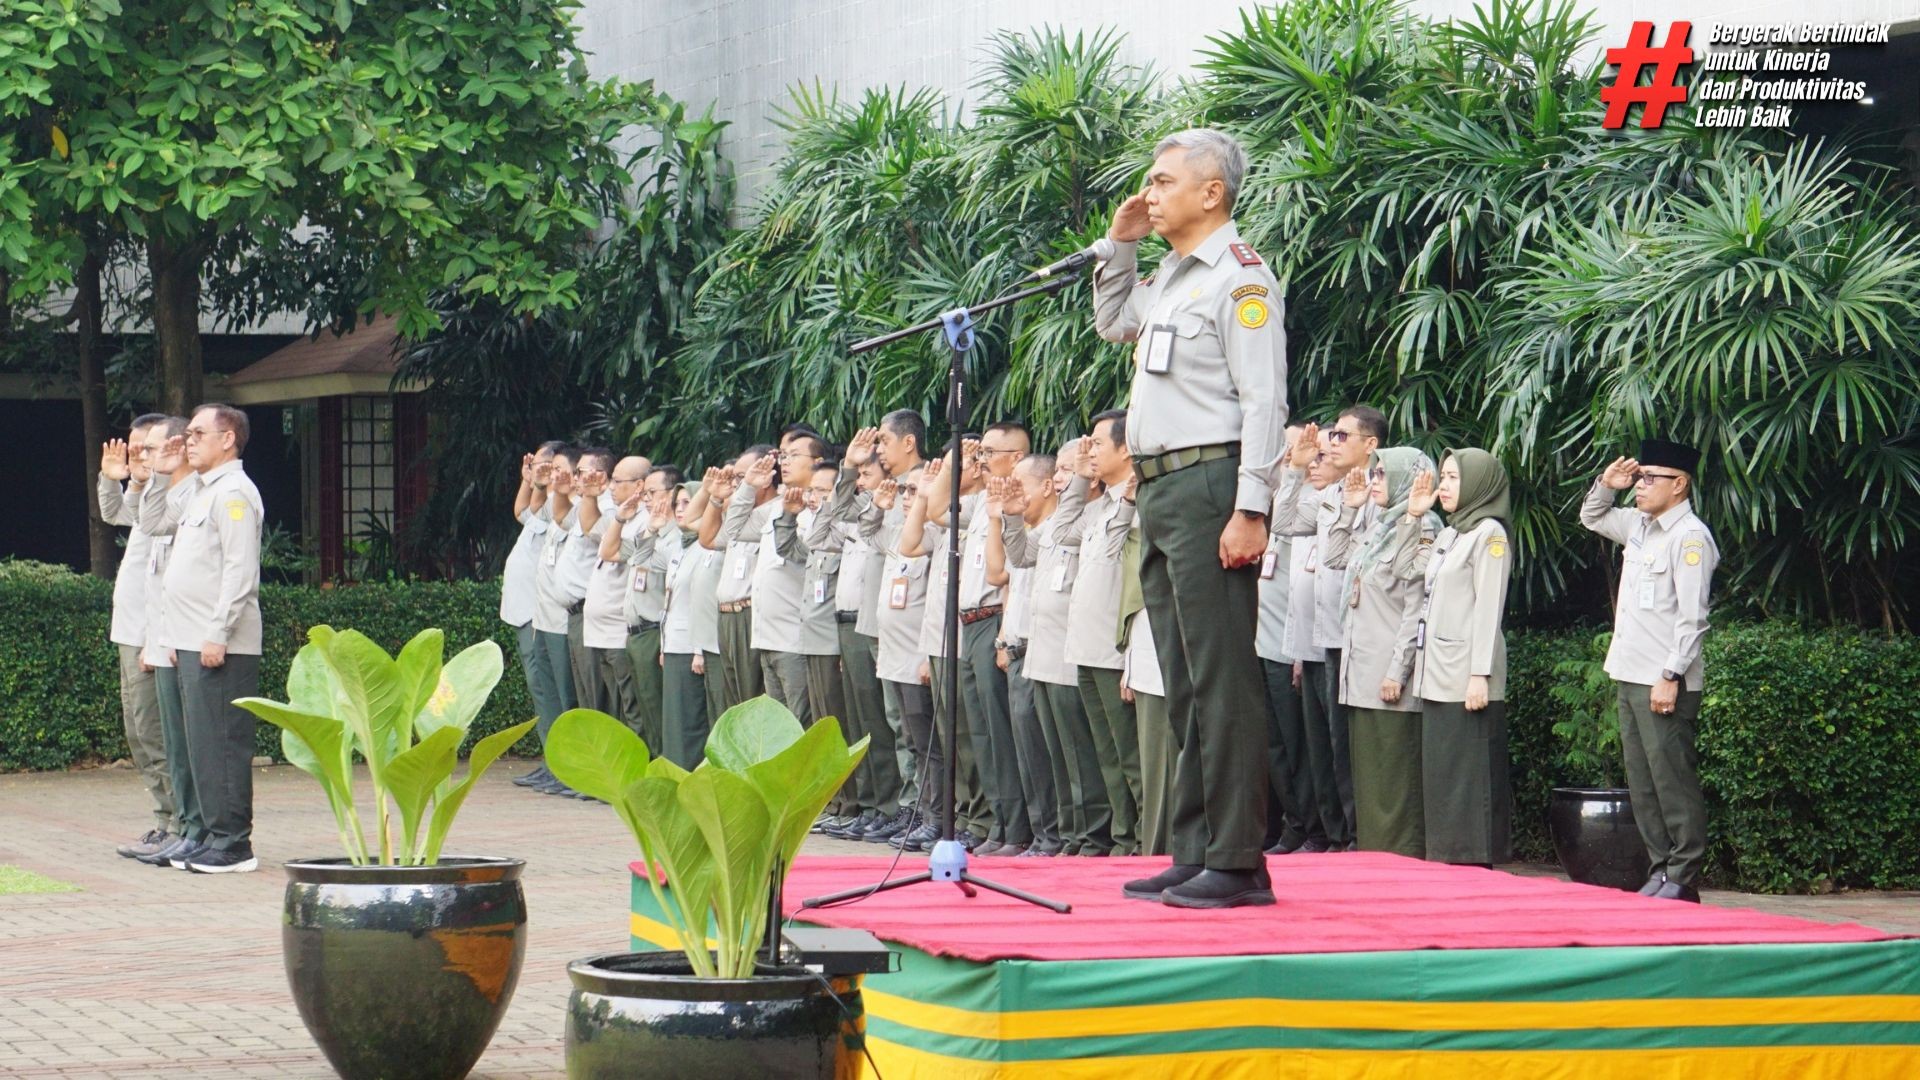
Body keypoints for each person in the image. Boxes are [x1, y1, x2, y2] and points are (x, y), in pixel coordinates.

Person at [1097, 128, 1288, 908]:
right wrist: (1119, 245)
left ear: (1212, 192)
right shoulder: (1176, 277)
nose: (1150, 192)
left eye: (1164, 180)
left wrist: (1252, 507)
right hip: (1161, 490)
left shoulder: (1239, 280)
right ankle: (1196, 846)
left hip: (1212, 483)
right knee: (1181, 676)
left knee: (1220, 680)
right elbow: (1115, 321)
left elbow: (1264, 400)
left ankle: (1238, 860)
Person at [1581, 440, 1718, 902]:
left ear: (1679, 484)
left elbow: (1693, 617)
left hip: (1664, 679)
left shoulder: (1690, 537)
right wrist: (1606, 484)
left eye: (1649, 478)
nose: (1639, 486)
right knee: (1643, 783)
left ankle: (1684, 874)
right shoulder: (1640, 525)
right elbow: (1593, 517)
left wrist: (1672, 674)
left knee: (1672, 781)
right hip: (1630, 672)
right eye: (1638, 478)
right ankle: (1660, 870)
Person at [139, 404, 263, 873]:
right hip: (191, 638)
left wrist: (217, 633)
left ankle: (233, 843)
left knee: (222, 744)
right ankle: (210, 835)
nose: (186, 439)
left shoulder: (234, 493)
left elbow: (239, 570)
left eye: (196, 433)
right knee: (199, 746)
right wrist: (167, 471)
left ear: (227, 438)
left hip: (221, 643)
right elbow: (157, 520)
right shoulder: (202, 489)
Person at [996, 442, 1111, 856]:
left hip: (1068, 653)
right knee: (1059, 757)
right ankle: (1068, 835)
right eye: (1060, 470)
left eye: (1068, 470)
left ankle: (1091, 836)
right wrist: (1011, 516)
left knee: (1079, 756)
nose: (1061, 478)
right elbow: (1021, 556)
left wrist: (1079, 480)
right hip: (1042, 653)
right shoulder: (1060, 520)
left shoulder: (1089, 517)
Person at [1400, 450, 1514, 867]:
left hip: (1467, 673)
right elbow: (1406, 571)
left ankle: (1475, 859)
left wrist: (1479, 674)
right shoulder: (1452, 533)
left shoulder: (1489, 535)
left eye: (1452, 478)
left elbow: (1489, 608)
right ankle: (1447, 856)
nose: (1443, 486)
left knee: (1469, 771)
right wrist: (1413, 519)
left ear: (1479, 482)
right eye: (1442, 477)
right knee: (1445, 771)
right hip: (1437, 672)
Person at [1327, 447, 1437, 859]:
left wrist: (1397, 670)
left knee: (1394, 779)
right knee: (1370, 779)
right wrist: (1350, 511)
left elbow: (1415, 607)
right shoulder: (1378, 528)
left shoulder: (1424, 529)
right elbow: (1336, 557)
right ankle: (1374, 862)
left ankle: (1404, 861)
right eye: (1372, 475)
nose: (1373, 482)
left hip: (1390, 676)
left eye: (1381, 476)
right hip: (1360, 672)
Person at [838, 414, 941, 853]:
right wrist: (849, 469)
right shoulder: (892, 495)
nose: (877, 448)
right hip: (891, 639)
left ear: (910, 442)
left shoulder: (929, 492)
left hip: (922, 641)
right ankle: (912, 809)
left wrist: (926, 649)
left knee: (923, 735)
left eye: (883, 440)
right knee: (904, 733)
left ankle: (931, 813)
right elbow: (853, 523)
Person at [98, 416, 177, 859]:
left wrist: (155, 638)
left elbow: (166, 581)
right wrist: (115, 481)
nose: (138, 457)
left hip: (150, 637)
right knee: (138, 731)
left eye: (145, 449)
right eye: (133, 450)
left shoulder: (173, 500)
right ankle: (163, 820)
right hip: (129, 633)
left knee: (154, 732)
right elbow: (113, 514)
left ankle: (176, 824)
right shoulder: (147, 496)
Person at [1268, 424, 1349, 851]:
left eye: (1319, 456)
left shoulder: (1348, 504)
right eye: (1308, 456)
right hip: (1305, 644)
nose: (1312, 463)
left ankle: (1340, 834)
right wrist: (1294, 473)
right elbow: (1281, 522)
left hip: (1338, 644)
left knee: (1335, 748)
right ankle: (1324, 833)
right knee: (1316, 750)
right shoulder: (1312, 503)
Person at [1066, 414, 1142, 857]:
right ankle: (1122, 839)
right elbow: (1061, 534)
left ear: (1125, 450)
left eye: (1096, 444)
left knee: (1131, 756)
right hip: (1086, 648)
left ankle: (1143, 840)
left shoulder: (1138, 502)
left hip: (1117, 651)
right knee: (1108, 757)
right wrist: (1079, 478)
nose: (1088, 451)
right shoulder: (1099, 505)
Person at [133, 417, 206, 870]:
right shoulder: (175, 492)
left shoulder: (204, 493)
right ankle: (183, 828)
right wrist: (155, 478)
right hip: (165, 637)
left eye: (159, 448)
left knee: (191, 744)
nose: (149, 456)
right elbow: (149, 524)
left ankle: (196, 830)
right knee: (174, 745)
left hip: (189, 638)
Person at [1257, 423, 1321, 856]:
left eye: (1294, 448)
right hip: (1261, 642)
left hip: (1290, 645)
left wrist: (1296, 473)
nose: (1285, 455)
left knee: (1299, 747)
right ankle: (1291, 825)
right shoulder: (1268, 501)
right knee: (1274, 746)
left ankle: (1312, 827)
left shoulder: (1315, 502)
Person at [507, 442, 567, 789]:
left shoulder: (558, 511)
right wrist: (527, 480)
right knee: (540, 689)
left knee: (548, 690)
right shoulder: (540, 511)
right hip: (526, 614)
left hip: (539, 614)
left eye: (548, 465)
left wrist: (540, 484)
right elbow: (521, 511)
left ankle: (558, 765)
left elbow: (534, 508)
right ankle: (550, 762)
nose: (541, 469)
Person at [700, 444, 778, 713]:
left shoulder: (776, 509)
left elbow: (726, 532)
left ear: (767, 476)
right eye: (737, 478)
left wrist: (738, 493)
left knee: (752, 701)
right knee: (735, 701)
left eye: (742, 477)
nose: (737, 484)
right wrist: (714, 499)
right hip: (727, 615)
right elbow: (708, 539)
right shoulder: (740, 512)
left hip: (748, 612)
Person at [613, 464, 683, 752]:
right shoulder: (651, 531)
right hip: (637, 632)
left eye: (652, 492)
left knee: (658, 710)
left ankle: (664, 766)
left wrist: (657, 530)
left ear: (671, 495)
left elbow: (658, 566)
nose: (646, 499)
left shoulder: (677, 535)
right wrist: (649, 530)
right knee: (644, 708)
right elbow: (634, 559)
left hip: (655, 631)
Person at [583, 455, 652, 738]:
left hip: (619, 631)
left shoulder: (646, 521)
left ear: (639, 486)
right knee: (614, 707)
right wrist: (590, 496)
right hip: (599, 631)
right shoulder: (620, 516)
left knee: (632, 707)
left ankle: (637, 774)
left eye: (617, 481)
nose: (611, 486)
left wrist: (621, 518)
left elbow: (609, 552)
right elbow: (590, 529)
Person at [528, 447, 581, 795]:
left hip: (565, 622)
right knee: (551, 697)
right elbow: (530, 511)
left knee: (568, 700)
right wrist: (537, 482)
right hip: (544, 619)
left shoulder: (584, 514)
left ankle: (573, 771)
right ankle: (556, 767)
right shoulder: (556, 508)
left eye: (560, 469)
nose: (554, 474)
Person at [660, 480, 721, 768]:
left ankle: (690, 776)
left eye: (688, 502)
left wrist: (699, 647)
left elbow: (704, 598)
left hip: (691, 644)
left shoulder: (706, 545)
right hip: (673, 641)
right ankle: (675, 775)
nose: (681, 510)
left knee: (691, 721)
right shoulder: (680, 546)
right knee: (674, 720)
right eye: (678, 504)